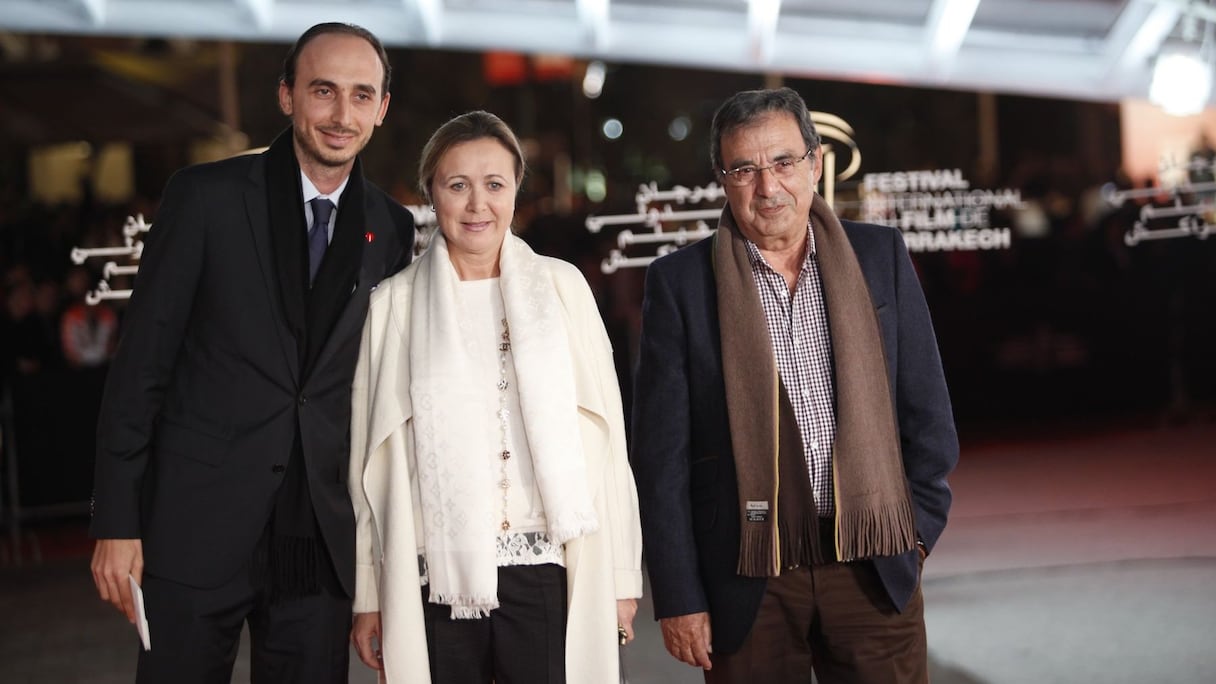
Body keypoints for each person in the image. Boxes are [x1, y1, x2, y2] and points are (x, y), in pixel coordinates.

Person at [88, 22, 415, 682]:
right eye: (324, 91)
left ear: (381, 109)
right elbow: (140, 368)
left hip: (319, 543)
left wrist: (380, 571)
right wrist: (116, 522)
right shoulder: (204, 197)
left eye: (360, 95)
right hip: (194, 524)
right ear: (287, 96)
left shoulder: (393, 228)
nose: (341, 114)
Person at [629, 87, 958, 684]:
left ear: (815, 164)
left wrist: (917, 534)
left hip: (872, 563)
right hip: (745, 575)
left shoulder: (878, 255)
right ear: (721, 179)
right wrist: (678, 594)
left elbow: (927, 410)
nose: (767, 186)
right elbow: (661, 461)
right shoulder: (679, 284)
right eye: (745, 169)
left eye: (783, 162)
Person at [348, 110, 642, 683]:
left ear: (515, 191)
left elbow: (609, 438)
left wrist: (623, 577)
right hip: (436, 574)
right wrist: (368, 593)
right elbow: (367, 461)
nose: (477, 204)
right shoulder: (395, 304)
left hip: (545, 566)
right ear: (431, 191)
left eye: (494, 185)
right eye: (457, 185)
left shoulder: (563, 288)